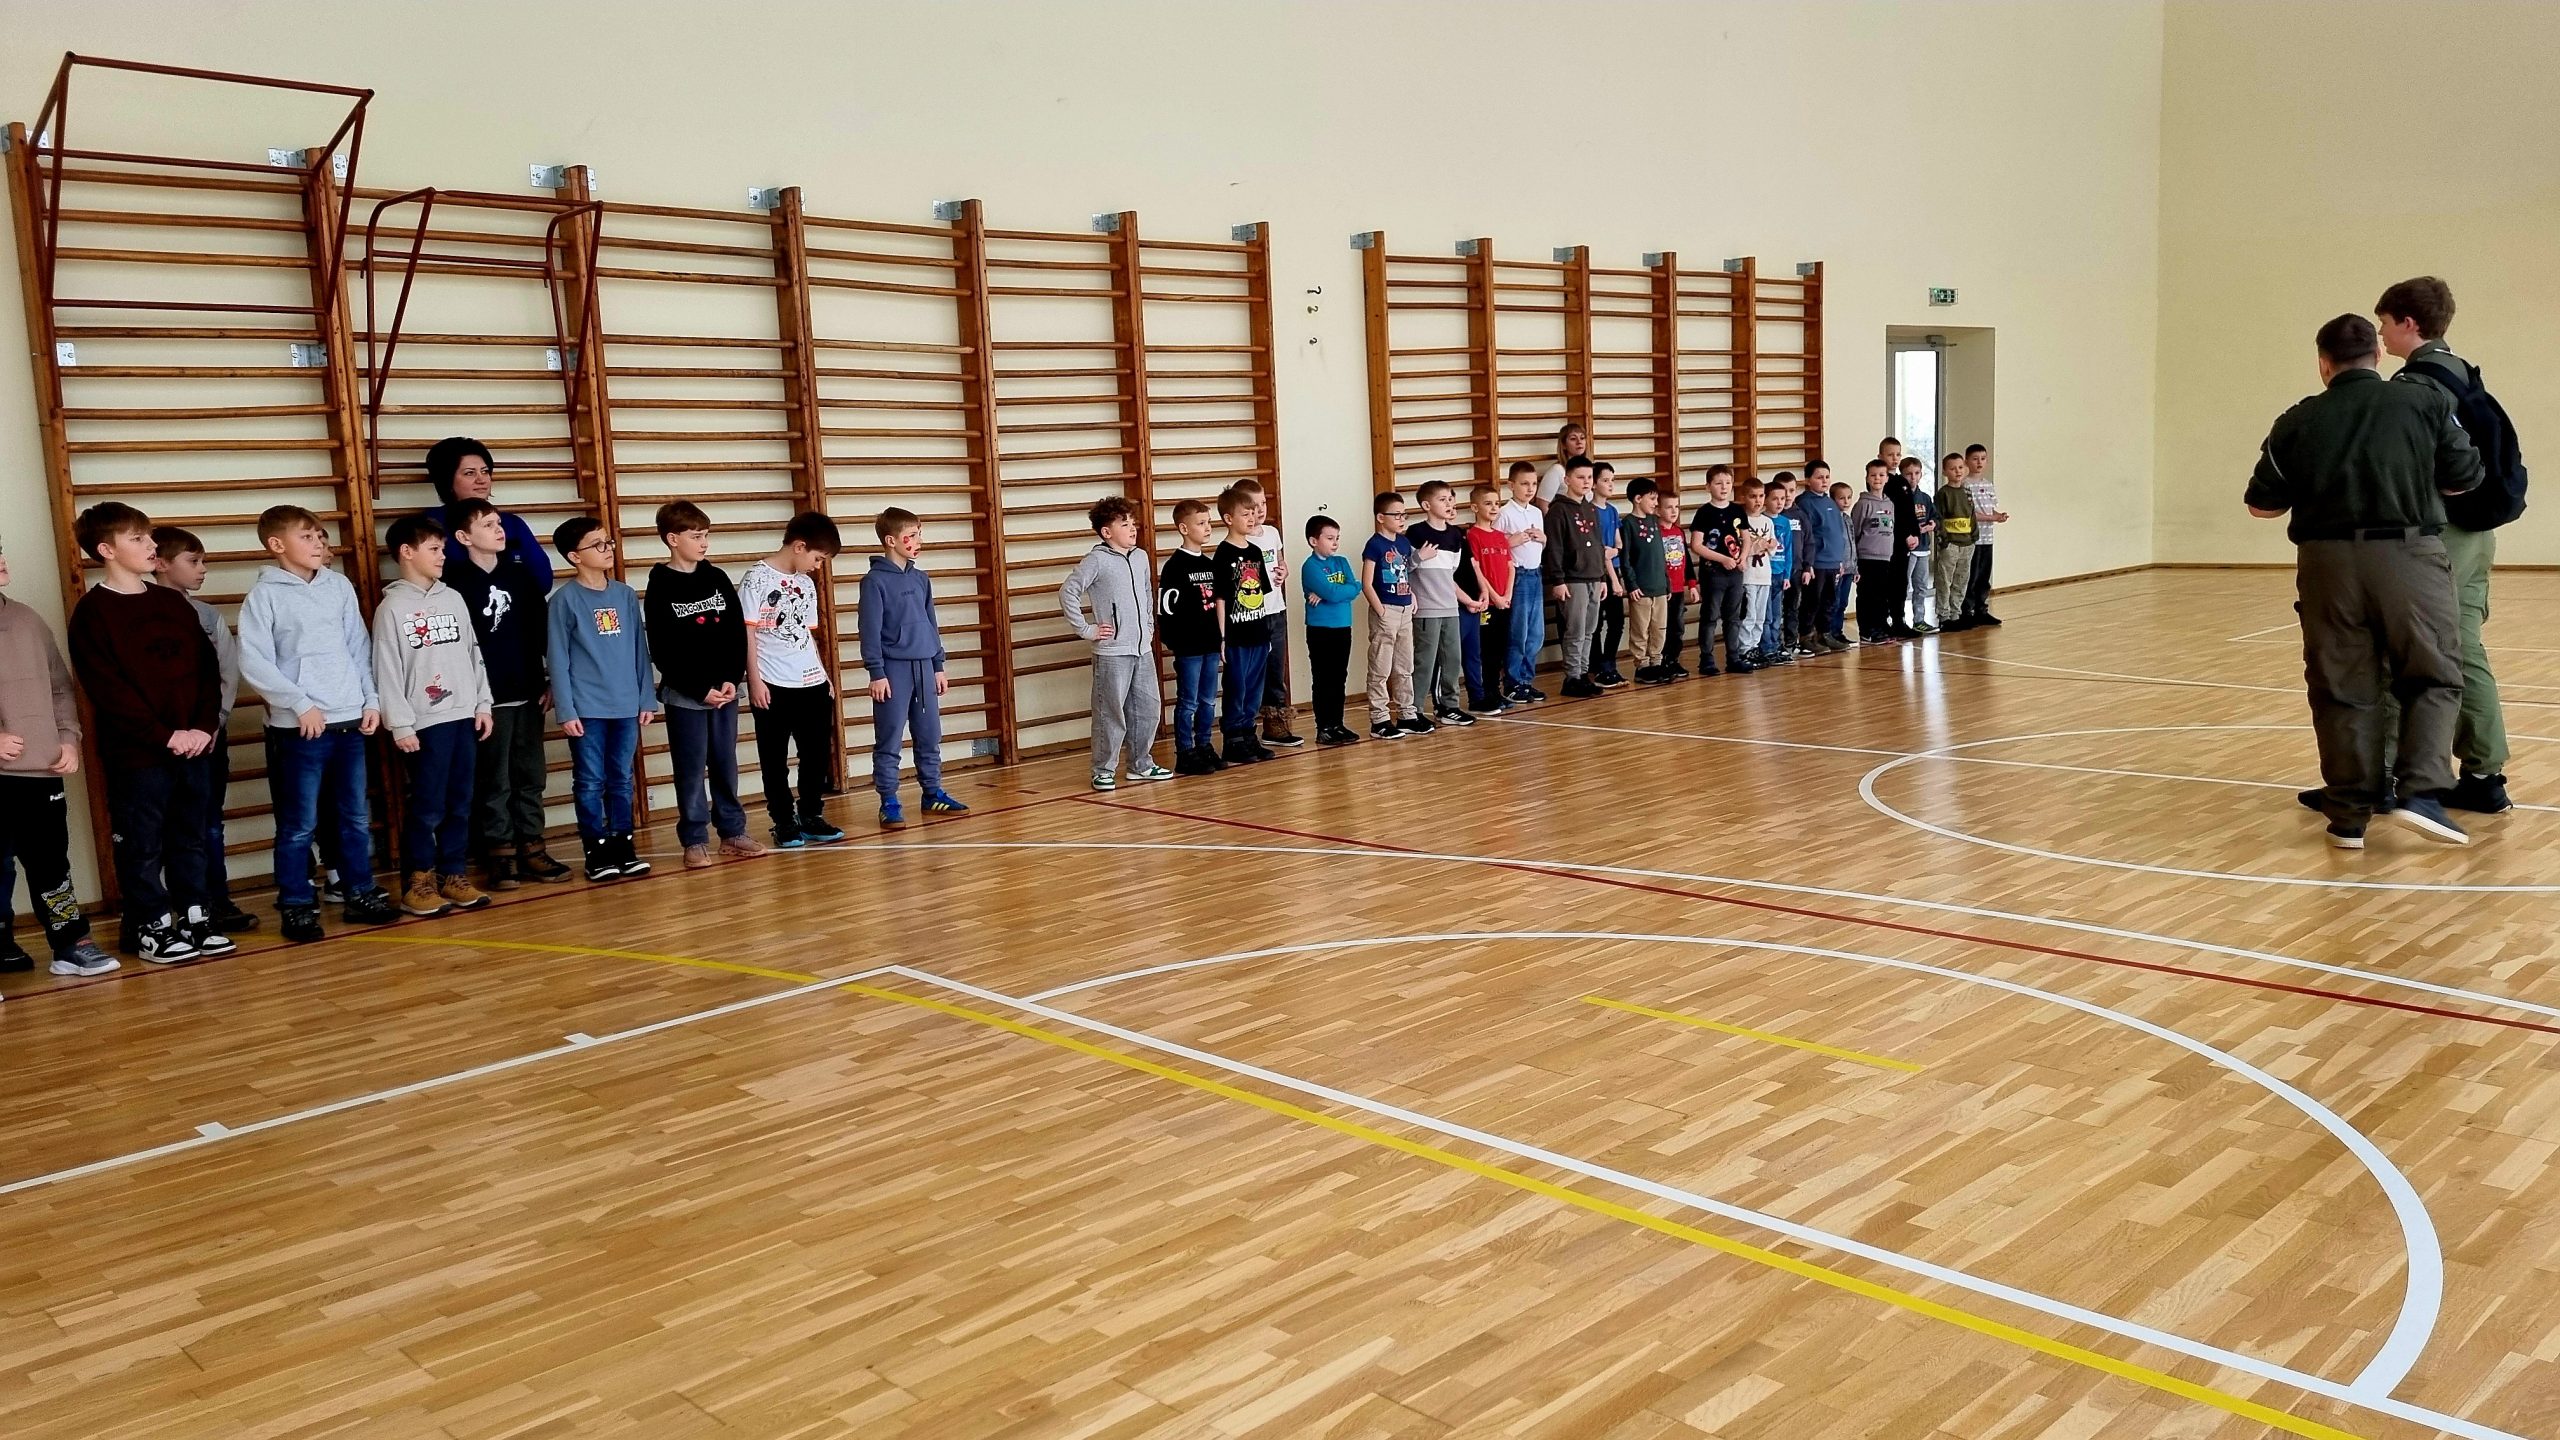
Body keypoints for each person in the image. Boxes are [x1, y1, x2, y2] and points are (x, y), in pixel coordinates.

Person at [2246, 313, 2482, 849]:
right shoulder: (2423, 401)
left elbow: (2262, 505)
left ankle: (2349, 816)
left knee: (2340, 687)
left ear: (2324, 364)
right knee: (2432, 675)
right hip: (2409, 558)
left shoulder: (2297, 420)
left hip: (2326, 565)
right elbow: (2465, 476)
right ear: (2377, 356)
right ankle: (2420, 793)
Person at [2377, 276, 2527, 814]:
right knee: (2464, 647)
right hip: (2478, 534)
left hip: (2441, 534)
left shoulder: (2417, 385)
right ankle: (2485, 775)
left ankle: (2385, 775)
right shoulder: (2462, 371)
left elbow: (2418, 464)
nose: (2381, 333)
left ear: (2408, 322)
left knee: (2401, 648)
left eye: (2385, 323)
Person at [237, 504, 394, 944]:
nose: (318, 543)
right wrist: (299, 703)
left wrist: (370, 699)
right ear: (277, 544)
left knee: (354, 817)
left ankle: (359, 891)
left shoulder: (337, 586)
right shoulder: (264, 596)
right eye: (306, 536)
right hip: (300, 728)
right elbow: (255, 660)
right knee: (298, 824)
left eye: (319, 535)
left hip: (348, 722)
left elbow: (357, 647)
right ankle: (296, 903)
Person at [0, 536, 115, 978]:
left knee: (51, 862)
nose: (2, 559)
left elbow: (60, 688)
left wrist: (68, 738)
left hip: (40, 771)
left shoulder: (27, 619)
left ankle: (70, 944)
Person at [444, 497, 569, 889]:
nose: (498, 531)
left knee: (530, 774)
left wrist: (550, 680)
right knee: (493, 779)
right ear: (463, 537)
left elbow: (541, 632)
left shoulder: (520, 575)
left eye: (499, 523)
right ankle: (500, 853)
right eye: (488, 525)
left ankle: (532, 845)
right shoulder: (454, 583)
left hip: (528, 690)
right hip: (486, 698)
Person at [372, 514, 494, 916]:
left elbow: (473, 652)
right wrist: (400, 723)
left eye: (443, 548)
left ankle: (453, 875)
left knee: (460, 801)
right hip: (424, 723)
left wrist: (482, 702)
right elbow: (387, 669)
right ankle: (418, 882)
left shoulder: (453, 598)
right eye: (435, 549)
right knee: (428, 805)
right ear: (407, 552)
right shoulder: (392, 608)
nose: (443, 556)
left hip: (464, 715)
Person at [647, 501, 766, 867]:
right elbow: (662, 649)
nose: (704, 543)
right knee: (690, 768)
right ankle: (694, 839)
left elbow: (735, 635)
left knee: (725, 763)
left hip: (725, 692)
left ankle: (732, 831)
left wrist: (731, 678)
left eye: (706, 535)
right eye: (696, 536)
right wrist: (699, 689)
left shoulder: (716, 578)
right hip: (687, 696)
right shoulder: (660, 585)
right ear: (673, 539)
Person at [150, 525, 254, 933]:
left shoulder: (207, 615)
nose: (203, 569)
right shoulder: (136, 612)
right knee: (152, 828)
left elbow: (226, 672)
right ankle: (156, 911)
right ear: (161, 564)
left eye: (203, 561)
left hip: (208, 738)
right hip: (154, 742)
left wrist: (213, 724)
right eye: (193, 561)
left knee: (207, 822)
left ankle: (213, 901)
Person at [547, 515, 655, 880]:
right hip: (587, 708)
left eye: (608, 542)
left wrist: (646, 698)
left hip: (626, 705)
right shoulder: (564, 601)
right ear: (574, 556)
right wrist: (566, 710)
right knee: (590, 781)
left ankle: (624, 845)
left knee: (621, 778)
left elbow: (639, 650)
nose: (607, 549)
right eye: (597, 545)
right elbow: (558, 659)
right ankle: (596, 850)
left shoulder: (624, 595)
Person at [741, 512, 843, 848]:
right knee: (774, 760)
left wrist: (824, 675)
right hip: (773, 683)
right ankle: (783, 821)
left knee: (816, 755)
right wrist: (755, 681)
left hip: (811, 683)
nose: (818, 566)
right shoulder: (756, 579)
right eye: (818, 558)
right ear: (800, 546)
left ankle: (811, 814)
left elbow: (806, 635)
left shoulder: (806, 584)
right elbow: (747, 635)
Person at [859, 508, 966, 826]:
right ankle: (889, 801)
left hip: (925, 668)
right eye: (913, 535)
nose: (919, 541)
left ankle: (932, 793)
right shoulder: (874, 582)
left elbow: (931, 623)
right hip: (893, 672)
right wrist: (876, 673)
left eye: (919, 534)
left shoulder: (921, 579)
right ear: (891, 541)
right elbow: (869, 631)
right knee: (890, 738)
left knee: (929, 734)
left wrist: (938, 664)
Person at [1061, 495, 1171, 790]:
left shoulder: (1140, 557)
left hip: (1142, 650)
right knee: (1110, 712)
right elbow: (1068, 592)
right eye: (1125, 524)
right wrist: (1087, 629)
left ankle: (1140, 764)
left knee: (1148, 709)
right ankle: (1103, 769)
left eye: (1133, 523)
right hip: (1112, 653)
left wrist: (1148, 627)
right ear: (1106, 532)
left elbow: (1147, 594)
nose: (1133, 528)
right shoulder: (1096, 560)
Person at [421, 435, 551, 580]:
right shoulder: (430, 525)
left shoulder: (512, 523)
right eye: (470, 473)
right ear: (447, 481)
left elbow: (542, 579)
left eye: (485, 471)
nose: (481, 479)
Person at [1234, 479, 1303, 750]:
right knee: (1253, 673)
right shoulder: (1241, 540)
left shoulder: (1272, 532)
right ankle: (1245, 729)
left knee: (1276, 669)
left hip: (1276, 610)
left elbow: (1280, 560)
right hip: (1254, 614)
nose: (1260, 510)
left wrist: (1284, 570)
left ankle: (1275, 725)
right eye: (1253, 506)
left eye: (1263, 503)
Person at [1407, 480, 1481, 727]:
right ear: (1426, 505)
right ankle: (1413, 710)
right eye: (1442, 499)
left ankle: (1449, 707)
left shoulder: (1455, 535)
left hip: (1451, 608)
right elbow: (1402, 569)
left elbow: (1449, 577)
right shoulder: (1415, 533)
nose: (1449, 503)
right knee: (1425, 661)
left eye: (1450, 498)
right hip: (1426, 610)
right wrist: (1418, 557)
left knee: (1452, 659)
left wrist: (1468, 600)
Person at [1160, 499, 1226, 773]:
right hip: (1189, 647)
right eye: (1201, 523)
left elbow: (1218, 603)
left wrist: (1221, 638)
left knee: (1208, 699)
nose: (1208, 528)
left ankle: (1204, 745)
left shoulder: (1210, 565)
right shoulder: (1174, 567)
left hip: (1210, 644)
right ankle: (1185, 752)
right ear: (1184, 528)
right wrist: (1175, 641)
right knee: (1188, 701)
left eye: (1209, 522)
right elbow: (1166, 609)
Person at [1543, 456, 1609, 697]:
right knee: (1576, 630)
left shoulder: (1590, 508)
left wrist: (1602, 577)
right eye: (1580, 477)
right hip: (1573, 579)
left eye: (1589, 477)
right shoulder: (1558, 510)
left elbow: (1599, 544)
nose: (1586, 482)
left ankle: (1582, 674)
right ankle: (1571, 677)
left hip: (1593, 577)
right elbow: (1555, 548)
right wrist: (1558, 581)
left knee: (1590, 630)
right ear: (1567, 480)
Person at [1361, 489, 1423, 739]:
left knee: (1404, 665)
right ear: (1380, 517)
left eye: (1403, 514)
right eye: (1396, 515)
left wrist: (1412, 596)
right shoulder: (1374, 545)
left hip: (1405, 608)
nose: (1401, 519)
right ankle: (1379, 719)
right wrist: (1381, 610)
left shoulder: (1403, 543)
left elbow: (1404, 575)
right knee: (1380, 667)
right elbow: (1367, 583)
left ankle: (1407, 714)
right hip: (1386, 610)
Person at [1299, 513, 1363, 747]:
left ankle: (1337, 724)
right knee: (1323, 679)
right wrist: (1337, 591)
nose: (1335, 543)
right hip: (1321, 630)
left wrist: (1334, 592)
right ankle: (1324, 727)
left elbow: (1356, 586)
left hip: (1342, 626)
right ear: (1313, 541)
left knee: (1339, 678)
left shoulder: (1341, 562)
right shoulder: (1310, 566)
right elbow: (1337, 593)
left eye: (1337, 538)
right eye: (1329, 538)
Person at [1687, 465, 1750, 675]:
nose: (1724, 487)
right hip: (1713, 572)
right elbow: (1697, 545)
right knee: (1710, 615)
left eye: (1728, 483)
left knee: (1733, 617)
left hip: (1735, 572)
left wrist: (1743, 557)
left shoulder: (1737, 510)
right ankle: (1706, 659)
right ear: (1708, 487)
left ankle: (1734, 657)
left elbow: (1746, 538)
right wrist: (1723, 559)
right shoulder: (1704, 512)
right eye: (1718, 483)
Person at [1496, 461, 1549, 702]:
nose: (1530, 489)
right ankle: (1512, 681)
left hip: (1536, 574)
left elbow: (1539, 547)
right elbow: (1495, 547)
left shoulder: (1536, 512)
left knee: (1536, 634)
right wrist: (1511, 541)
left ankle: (1526, 680)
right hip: (1517, 576)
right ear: (1511, 485)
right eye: (1524, 484)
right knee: (1518, 632)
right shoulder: (1504, 513)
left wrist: (1543, 539)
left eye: (1534, 484)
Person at [1462, 482, 1514, 714]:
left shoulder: (1501, 536)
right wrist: (1495, 596)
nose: (1494, 508)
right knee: (1487, 650)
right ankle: (1486, 693)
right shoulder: (1472, 536)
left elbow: (1510, 566)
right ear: (1475, 507)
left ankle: (1496, 691)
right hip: (1488, 604)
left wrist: (1507, 595)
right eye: (1488, 504)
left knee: (1500, 649)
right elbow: (1478, 571)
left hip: (1505, 601)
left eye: (1497, 503)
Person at [1790, 462, 1850, 653]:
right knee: (1812, 600)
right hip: (1817, 562)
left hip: (1833, 561)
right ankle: (1806, 636)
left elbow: (1838, 533)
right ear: (1808, 480)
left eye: (1827, 477)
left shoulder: (1830, 502)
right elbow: (1806, 536)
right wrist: (1809, 564)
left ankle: (1824, 633)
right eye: (1819, 477)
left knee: (1829, 600)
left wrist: (1840, 560)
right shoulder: (1804, 503)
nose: (1824, 481)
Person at [1620, 478, 1672, 683]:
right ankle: (1641, 665)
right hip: (1641, 589)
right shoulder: (1628, 524)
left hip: (1659, 587)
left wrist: (1666, 582)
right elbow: (1625, 559)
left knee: (1659, 627)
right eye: (1652, 499)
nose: (1655, 503)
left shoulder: (1654, 522)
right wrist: (1631, 584)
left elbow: (1661, 555)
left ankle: (1656, 662)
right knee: (1640, 628)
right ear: (1637, 499)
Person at [1851, 461, 1900, 644]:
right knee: (1867, 595)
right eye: (1873, 475)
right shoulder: (1863, 504)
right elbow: (1855, 531)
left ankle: (1880, 625)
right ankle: (1867, 630)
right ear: (1867, 478)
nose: (1877, 479)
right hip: (1867, 557)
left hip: (1885, 557)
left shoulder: (1890, 503)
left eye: (1881, 475)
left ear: (1887, 478)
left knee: (1882, 595)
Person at [1959, 445, 2008, 626]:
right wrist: (1991, 518)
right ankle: (1966, 611)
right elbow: (1969, 512)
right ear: (1967, 461)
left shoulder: (1988, 484)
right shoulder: (1965, 485)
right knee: (1971, 576)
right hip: (1972, 539)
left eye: (1983, 458)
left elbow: (1989, 509)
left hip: (1988, 538)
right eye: (1975, 459)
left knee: (1983, 576)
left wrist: (1998, 515)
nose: (1979, 462)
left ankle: (1981, 610)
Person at [1590, 461, 1628, 687]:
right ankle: (1597, 667)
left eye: (1612, 480)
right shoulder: (1589, 511)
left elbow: (1617, 543)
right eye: (1605, 480)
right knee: (1595, 624)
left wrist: (1616, 550)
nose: (1610, 484)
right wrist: (1613, 579)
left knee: (1617, 622)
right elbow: (1600, 552)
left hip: (1614, 570)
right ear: (1594, 484)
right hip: (1599, 573)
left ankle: (1609, 663)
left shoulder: (1612, 511)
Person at [1932, 453, 1979, 631]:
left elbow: (1972, 515)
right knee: (1945, 580)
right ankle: (1944, 616)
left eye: (1960, 467)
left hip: (1967, 543)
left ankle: (1955, 614)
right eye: (1952, 469)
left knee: (1961, 580)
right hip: (1950, 544)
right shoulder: (1943, 494)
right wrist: (1944, 541)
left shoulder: (1967, 491)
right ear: (1945, 472)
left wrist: (1974, 536)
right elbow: (1939, 518)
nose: (1957, 471)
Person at [1736, 478, 1776, 670]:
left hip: (1764, 575)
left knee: (1760, 615)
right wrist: (1755, 547)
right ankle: (1744, 648)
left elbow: (1772, 546)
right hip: (1749, 576)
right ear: (1744, 497)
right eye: (1753, 496)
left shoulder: (1768, 521)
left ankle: (1754, 646)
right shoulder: (1740, 521)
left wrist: (1771, 545)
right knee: (1749, 614)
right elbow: (1739, 549)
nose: (1758, 500)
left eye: (1761, 496)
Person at [1760, 473, 1800, 663]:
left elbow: (1789, 550)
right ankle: (1766, 647)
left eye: (1782, 499)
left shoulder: (1784, 522)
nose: (1779, 503)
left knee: (1777, 614)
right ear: (1765, 500)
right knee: (1766, 615)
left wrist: (1786, 575)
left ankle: (1776, 645)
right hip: (1765, 574)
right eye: (1774, 499)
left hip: (1779, 574)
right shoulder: (1762, 521)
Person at [1657, 482, 1692, 679]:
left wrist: (1691, 584)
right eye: (1669, 507)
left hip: (1678, 588)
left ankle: (1673, 660)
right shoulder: (1656, 532)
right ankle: (1660, 661)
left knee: (1677, 627)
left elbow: (1687, 560)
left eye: (1676, 507)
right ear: (1658, 510)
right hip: (1662, 589)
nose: (1673, 511)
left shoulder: (1679, 532)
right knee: (1662, 627)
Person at [1901, 457, 1939, 634]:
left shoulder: (1925, 498)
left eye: (1916, 473)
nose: (1913, 477)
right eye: (1908, 474)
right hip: (1908, 550)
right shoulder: (1900, 497)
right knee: (1903, 586)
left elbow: (1935, 517)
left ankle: (1919, 620)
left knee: (1921, 586)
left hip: (1923, 548)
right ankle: (1899, 619)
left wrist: (1932, 524)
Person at [1824, 480, 1859, 642]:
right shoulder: (1832, 519)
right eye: (1841, 498)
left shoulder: (1848, 519)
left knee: (1843, 602)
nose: (1846, 502)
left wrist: (1855, 567)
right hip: (1837, 568)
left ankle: (1838, 632)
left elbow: (1853, 542)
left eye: (1849, 498)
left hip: (1849, 568)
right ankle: (1829, 632)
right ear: (1833, 499)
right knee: (1834, 601)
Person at [1537, 420, 1589, 503]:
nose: (1579, 442)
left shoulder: (1588, 468)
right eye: (1573, 439)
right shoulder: (1557, 470)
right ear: (1564, 445)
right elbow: (1542, 503)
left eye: (1582, 438)